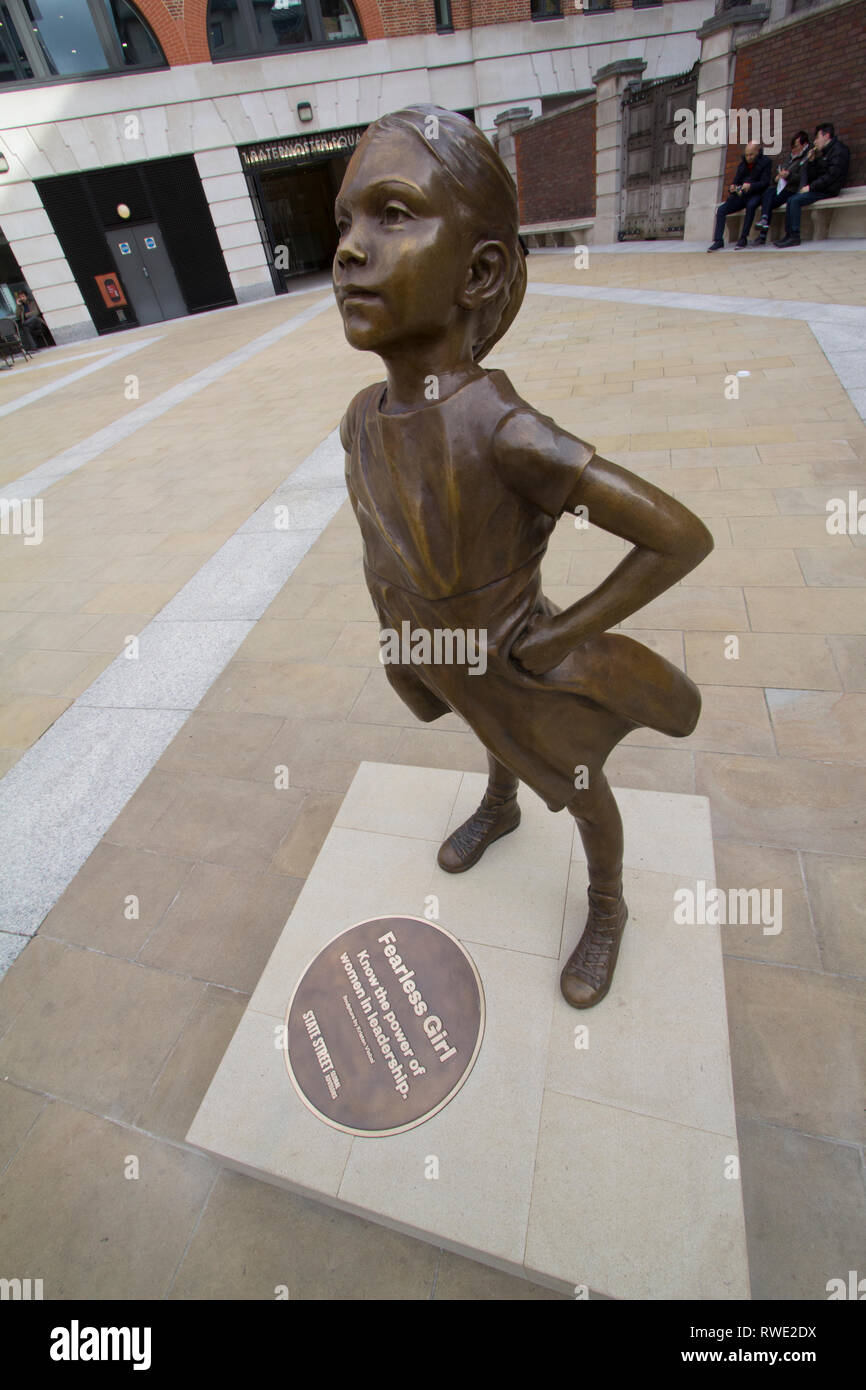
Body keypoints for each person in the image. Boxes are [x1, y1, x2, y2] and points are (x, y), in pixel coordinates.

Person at [334, 106, 713, 1010]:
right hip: (441, 652)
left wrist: (563, 637)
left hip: (518, 660)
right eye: (344, 221)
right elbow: (378, 538)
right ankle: (500, 805)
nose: (350, 248)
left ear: (481, 271)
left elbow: (678, 535)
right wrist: (397, 640)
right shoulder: (359, 418)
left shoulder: (506, 431)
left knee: (583, 787)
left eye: (392, 214)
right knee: (480, 725)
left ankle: (611, 905)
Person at [774, 122, 850, 248]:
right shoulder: (825, 152)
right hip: (821, 187)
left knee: (796, 200)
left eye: (817, 137)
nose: (815, 141)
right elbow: (817, 173)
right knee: (791, 199)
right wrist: (812, 161)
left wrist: (811, 187)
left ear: (826, 136)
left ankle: (795, 236)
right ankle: (789, 235)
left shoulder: (838, 151)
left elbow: (832, 176)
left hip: (829, 189)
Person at [707, 141, 772, 251]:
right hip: (741, 195)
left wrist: (751, 186)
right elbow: (736, 181)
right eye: (746, 155)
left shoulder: (766, 162)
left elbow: (765, 183)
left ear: (757, 152)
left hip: (756, 194)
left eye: (751, 155)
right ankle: (718, 240)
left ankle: (743, 238)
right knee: (721, 209)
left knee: (751, 206)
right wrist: (732, 188)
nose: (748, 157)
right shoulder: (742, 165)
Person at [749, 130, 811, 246]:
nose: (793, 149)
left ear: (804, 145)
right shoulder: (790, 158)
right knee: (768, 193)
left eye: (796, 146)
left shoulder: (805, 159)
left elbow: (803, 178)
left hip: (791, 190)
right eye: (792, 146)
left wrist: (788, 175)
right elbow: (780, 172)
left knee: (770, 202)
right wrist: (777, 177)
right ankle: (764, 218)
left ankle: (763, 233)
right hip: (781, 187)